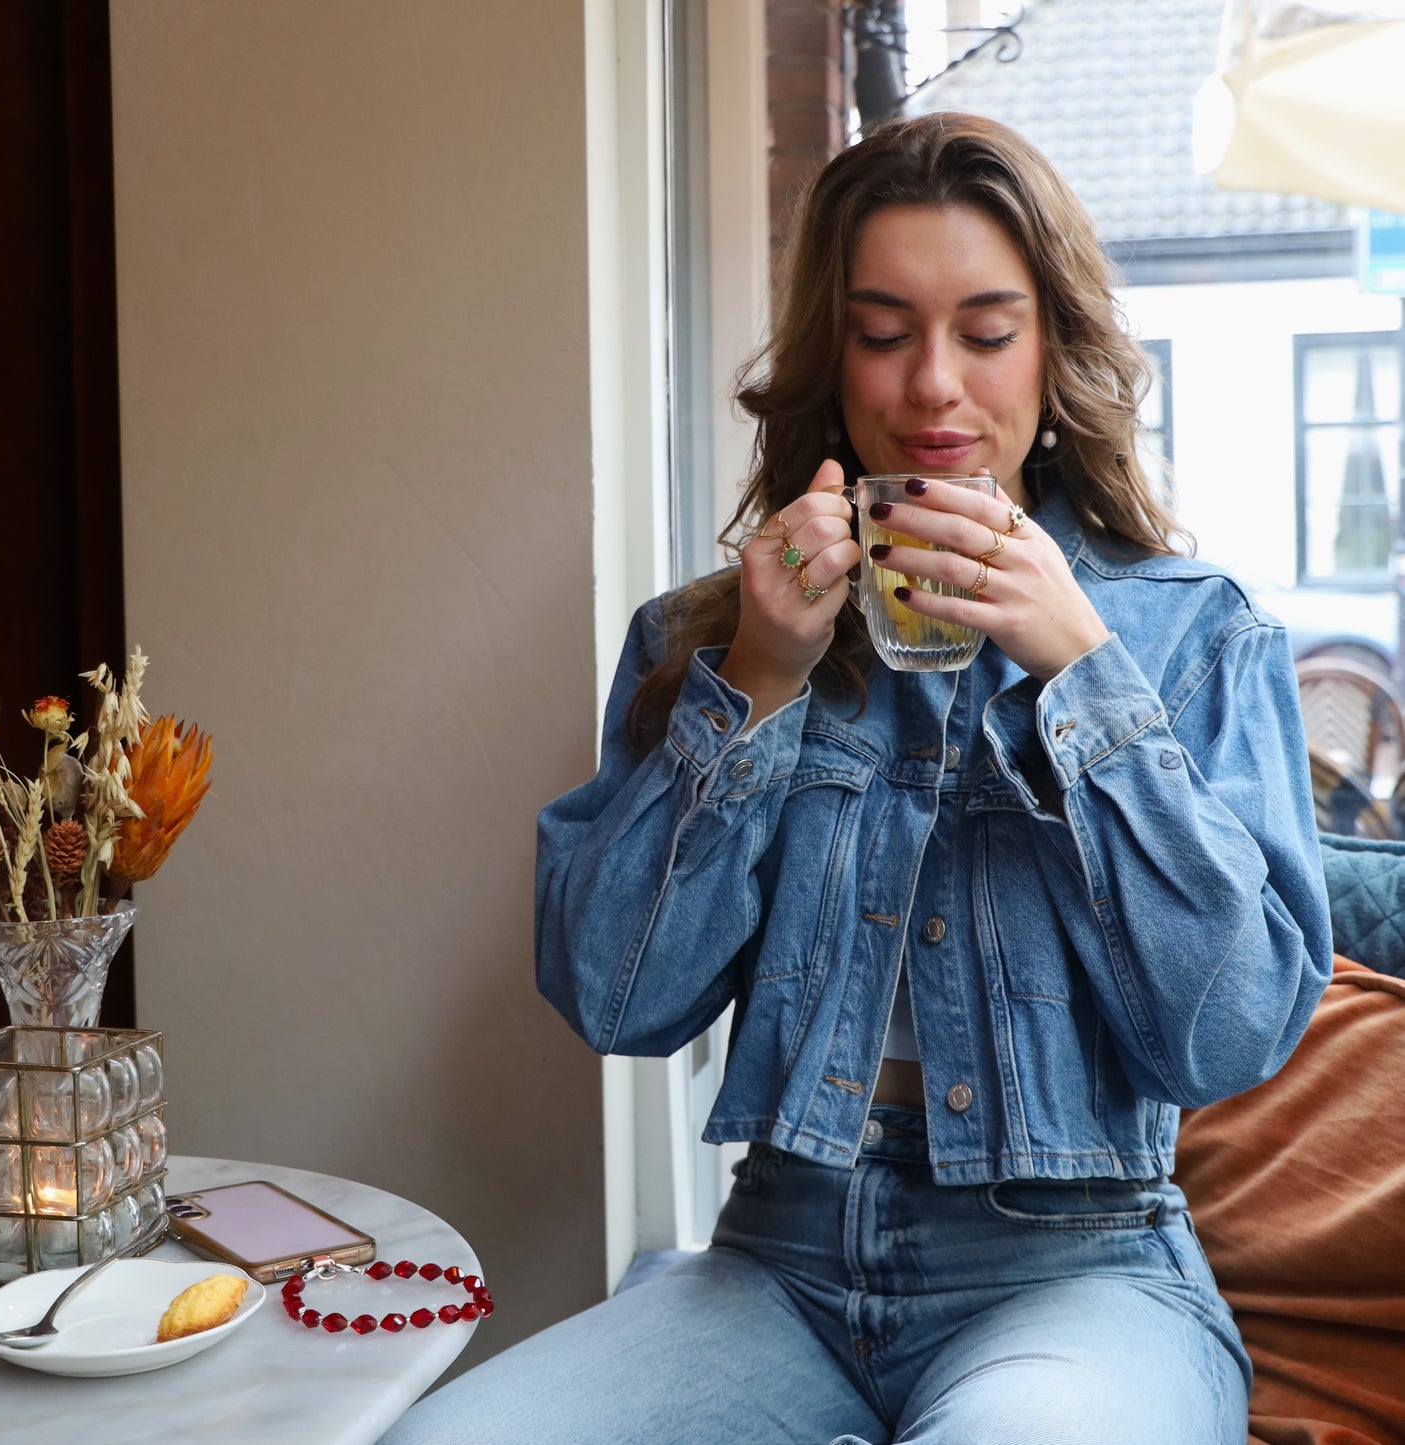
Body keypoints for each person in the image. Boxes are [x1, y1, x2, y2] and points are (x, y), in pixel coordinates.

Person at [382, 111, 1332, 1445]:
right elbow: (617, 996)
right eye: (883, 332)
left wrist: (1080, 672)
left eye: (986, 332)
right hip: (778, 1258)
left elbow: (1228, 1033)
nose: (933, 385)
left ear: (1054, 350)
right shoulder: (706, 640)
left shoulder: (1187, 635)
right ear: (832, 357)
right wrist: (755, 681)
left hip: (1075, 1271)